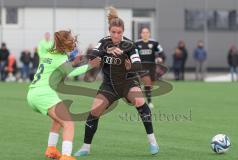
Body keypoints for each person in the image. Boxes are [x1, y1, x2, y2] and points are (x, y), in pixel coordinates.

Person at [74, 7, 159, 157]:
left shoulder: (129, 45)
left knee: (140, 101)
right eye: (113, 32)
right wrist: (106, 51)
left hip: (128, 83)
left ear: (123, 32)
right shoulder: (104, 42)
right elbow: (93, 54)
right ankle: (85, 147)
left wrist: (130, 66)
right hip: (109, 85)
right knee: (94, 111)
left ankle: (153, 142)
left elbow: (138, 65)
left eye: (119, 32)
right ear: (109, 31)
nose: (116, 35)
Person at [27, 30, 101, 160]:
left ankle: (51, 149)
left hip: (33, 94)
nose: (73, 42)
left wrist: (73, 61)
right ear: (64, 42)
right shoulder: (61, 58)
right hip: (44, 94)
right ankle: (66, 156)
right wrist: (90, 65)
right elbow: (71, 73)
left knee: (58, 120)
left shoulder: (48, 54)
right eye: (71, 40)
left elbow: (59, 68)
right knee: (68, 123)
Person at [135, 27, 165, 108]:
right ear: (141, 34)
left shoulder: (154, 43)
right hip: (141, 67)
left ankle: (139, 93)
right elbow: (132, 53)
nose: (145, 34)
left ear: (149, 33)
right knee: (147, 83)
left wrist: (160, 58)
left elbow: (161, 52)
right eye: (143, 32)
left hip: (152, 67)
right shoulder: (137, 44)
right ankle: (149, 102)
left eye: (146, 32)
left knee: (150, 85)